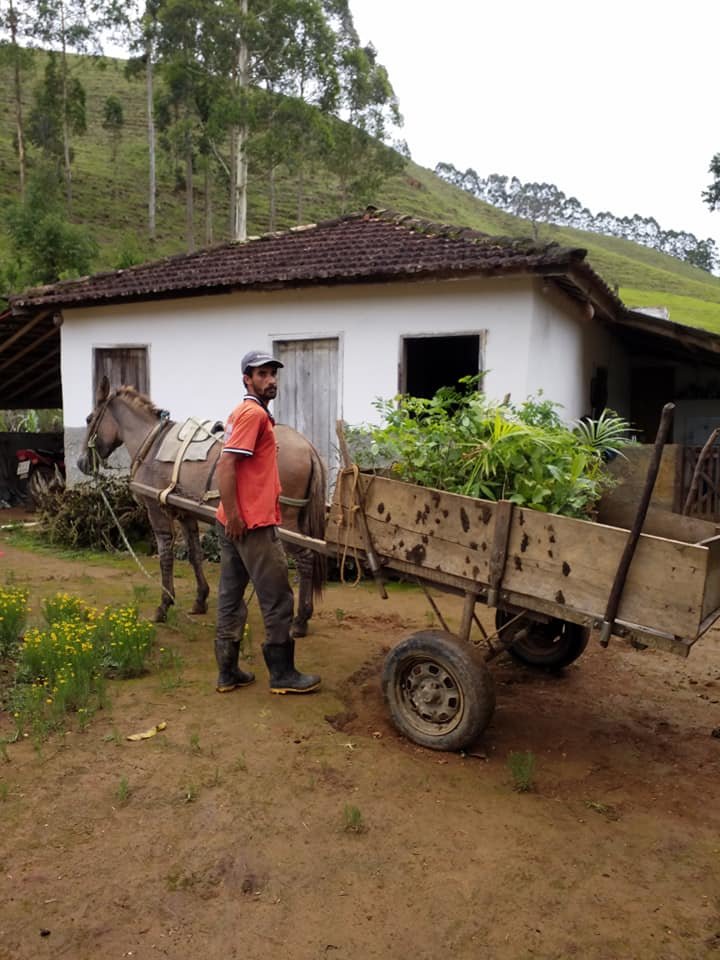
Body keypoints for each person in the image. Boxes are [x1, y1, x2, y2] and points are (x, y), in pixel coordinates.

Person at [214, 349, 321, 695]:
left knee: (230, 597)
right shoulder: (253, 416)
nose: (270, 380)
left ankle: (227, 673)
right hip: (251, 525)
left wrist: (230, 517)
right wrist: (235, 516)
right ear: (247, 379)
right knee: (277, 598)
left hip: (234, 523)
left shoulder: (243, 412)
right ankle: (283, 675)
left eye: (273, 374)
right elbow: (226, 465)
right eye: (262, 374)